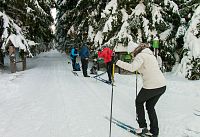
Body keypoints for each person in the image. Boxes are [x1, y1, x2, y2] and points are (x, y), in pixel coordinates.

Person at [116, 43, 166, 137]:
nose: (131, 55)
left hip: (152, 86)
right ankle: (154, 131)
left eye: (131, 53)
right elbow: (147, 68)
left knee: (139, 101)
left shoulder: (140, 55)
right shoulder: (150, 55)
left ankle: (142, 127)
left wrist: (118, 62)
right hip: (162, 85)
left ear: (134, 50)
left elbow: (132, 68)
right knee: (150, 106)